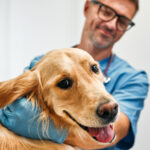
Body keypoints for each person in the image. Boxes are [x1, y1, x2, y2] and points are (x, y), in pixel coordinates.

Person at [0, 0, 149, 149]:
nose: (111, 25)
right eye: (106, 12)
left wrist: (45, 129)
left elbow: (117, 129)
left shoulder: (134, 78)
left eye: (122, 21)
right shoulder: (41, 64)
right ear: (87, 7)